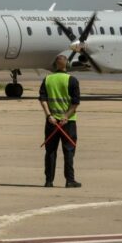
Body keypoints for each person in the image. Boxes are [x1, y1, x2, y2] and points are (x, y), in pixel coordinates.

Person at [39, 54, 81, 188]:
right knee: (68, 151)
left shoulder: (47, 79)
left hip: (51, 122)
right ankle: (69, 180)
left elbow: (43, 100)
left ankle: (49, 181)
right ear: (67, 65)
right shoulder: (72, 80)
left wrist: (49, 116)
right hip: (68, 122)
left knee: (50, 151)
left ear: (55, 65)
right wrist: (66, 116)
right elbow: (75, 103)